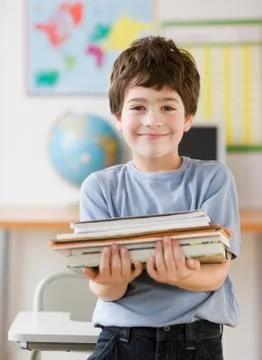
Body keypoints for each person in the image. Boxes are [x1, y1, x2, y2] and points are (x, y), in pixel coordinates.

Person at [80, 36, 240, 360]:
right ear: (118, 117)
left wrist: (183, 275)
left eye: (167, 106)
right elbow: (102, 288)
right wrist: (114, 280)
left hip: (195, 340)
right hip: (121, 340)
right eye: (138, 107)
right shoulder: (98, 187)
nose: (153, 120)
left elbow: (217, 273)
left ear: (188, 117)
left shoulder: (214, 179)